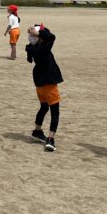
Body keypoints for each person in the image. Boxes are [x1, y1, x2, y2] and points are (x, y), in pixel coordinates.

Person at [26, 24, 64, 152]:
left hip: (39, 84)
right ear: (39, 38)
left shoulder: (32, 48)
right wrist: (38, 33)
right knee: (55, 112)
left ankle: (37, 131)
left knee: (44, 107)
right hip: (49, 84)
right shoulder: (44, 48)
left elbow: (46, 34)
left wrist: (36, 32)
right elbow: (51, 37)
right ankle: (50, 139)